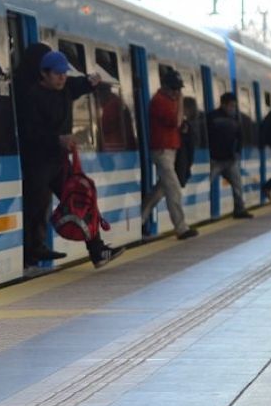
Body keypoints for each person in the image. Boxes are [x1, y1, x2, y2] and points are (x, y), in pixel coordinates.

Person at [19, 50, 125, 269]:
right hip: (37, 161)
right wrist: (57, 139)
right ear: (44, 74)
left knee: (82, 199)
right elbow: (29, 133)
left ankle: (97, 251)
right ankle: (31, 254)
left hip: (60, 162)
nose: (62, 78)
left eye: (64, 74)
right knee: (36, 206)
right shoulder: (31, 97)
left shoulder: (67, 88)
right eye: (57, 74)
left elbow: (82, 84)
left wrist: (92, 81)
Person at [140, 69, 198, 240]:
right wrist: (180, 101)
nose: (176, 92)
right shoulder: (159, 101)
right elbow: (175, 121)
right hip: (161, 150)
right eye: (173, 88)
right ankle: (181, 228)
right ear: (164, 87)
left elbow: (178, 123)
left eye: (178, 89)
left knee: (162, 188)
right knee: (173, 188)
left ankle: (141, 218)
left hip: (171, 148)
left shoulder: (170, 100)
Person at [206, 92, 253, 218]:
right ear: (223, 104)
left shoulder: (235, 118)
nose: (232, 108)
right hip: (215, 159)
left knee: (237, 185)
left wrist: (237, 152)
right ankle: (201, 209)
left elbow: (240, 136)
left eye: (234, 106)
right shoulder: (211, 117)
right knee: (205, 184)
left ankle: (239, 209)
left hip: (230, 159)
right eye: (231, 105)